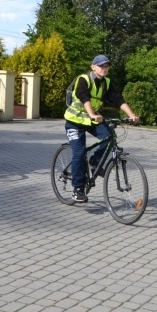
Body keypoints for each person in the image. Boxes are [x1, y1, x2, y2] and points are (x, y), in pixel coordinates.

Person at [63, 54, 140, 203]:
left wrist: (132, 115)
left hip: (92, 120)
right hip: (74, 121)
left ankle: (95, 161)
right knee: (79, 152)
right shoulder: (83, 79)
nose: (104, 69)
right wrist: (92, 114)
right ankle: (77, 189)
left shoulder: (107, 83)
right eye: (101, 66)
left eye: (106, 66)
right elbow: (84, 97)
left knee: (110, 137)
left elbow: (118, 99)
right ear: (93, 67)